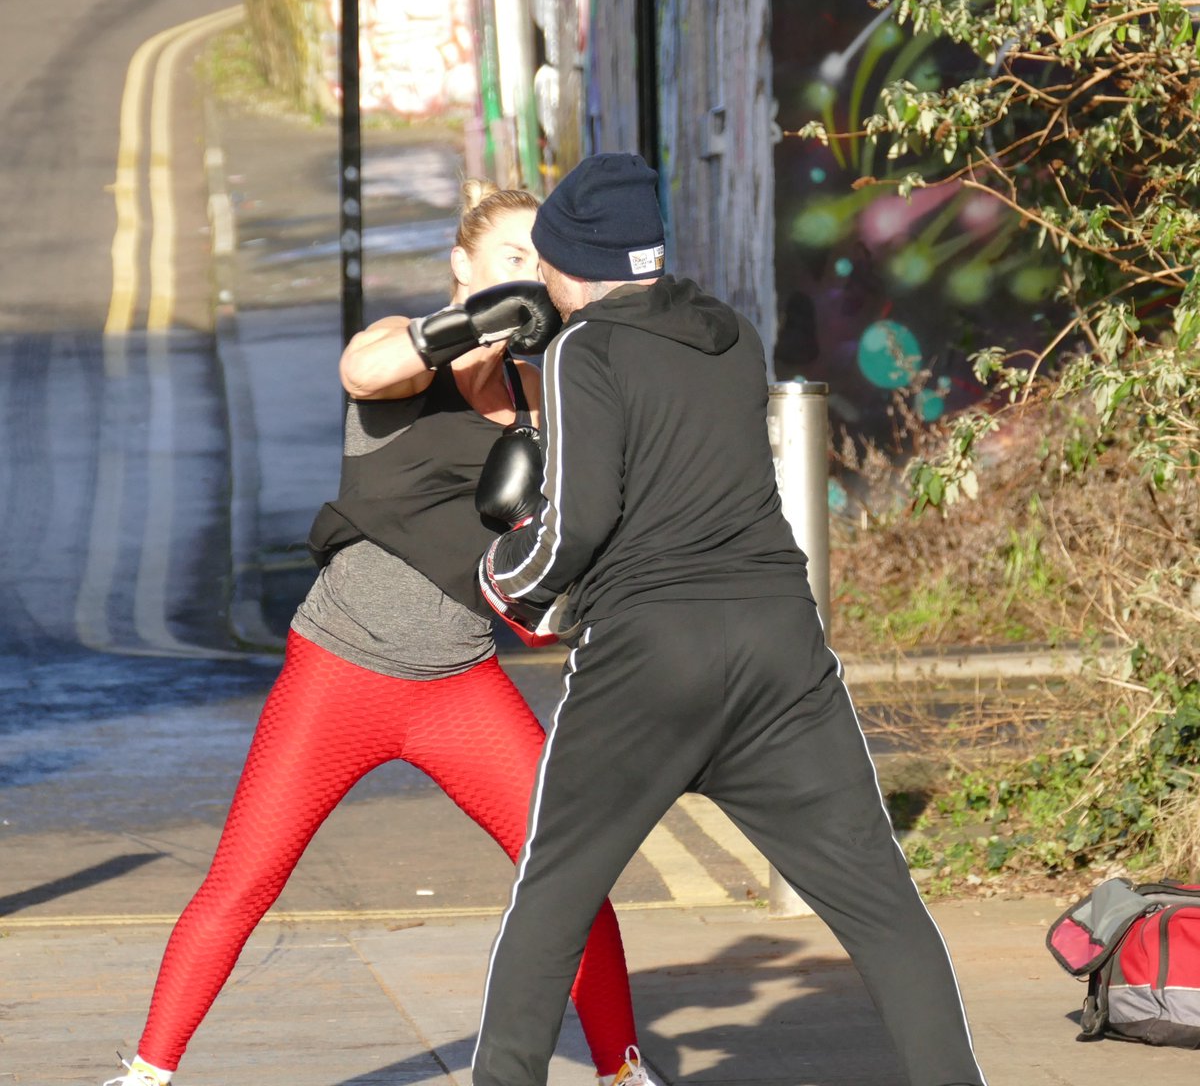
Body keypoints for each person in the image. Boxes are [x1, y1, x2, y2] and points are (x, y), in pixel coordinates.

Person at [104, 181, 652, 1086]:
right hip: (339, 674)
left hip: (459, 684)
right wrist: (482, 322)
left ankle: (622, 1074)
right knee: (243, 880)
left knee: (569, 869)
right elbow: (364, 371)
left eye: (541, 263)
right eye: (512, 257)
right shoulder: (405, 353)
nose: (529, 275)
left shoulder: (543, 393)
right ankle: (146, 1073)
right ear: (462, 263)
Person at [472, 153, 989, 1086]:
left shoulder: (583, 351)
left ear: (575, 263)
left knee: (554, 896)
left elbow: (577, 522)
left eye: (544, 261)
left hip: (649, 654)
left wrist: (508, 583)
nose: (540, 279)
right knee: (881, 905)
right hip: (778, 645)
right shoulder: (734, 336)